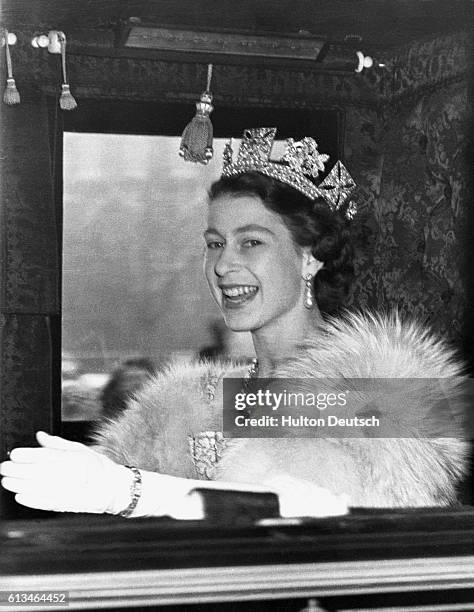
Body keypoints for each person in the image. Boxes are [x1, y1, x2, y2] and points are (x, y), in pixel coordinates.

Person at [0, 128, 468, 519]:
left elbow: (317, 516)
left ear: (310, 258)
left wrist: (131, 492)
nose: (222, 265)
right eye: (214, 243)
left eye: (251, 243)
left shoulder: (385, 385)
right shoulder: (184, 402)